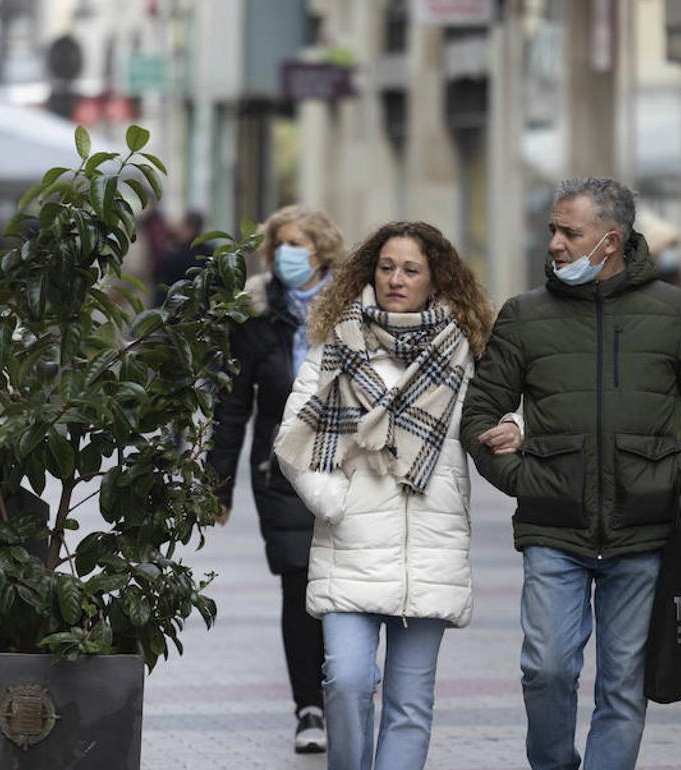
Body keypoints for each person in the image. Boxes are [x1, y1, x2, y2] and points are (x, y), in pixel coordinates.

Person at [461, 177, 681, 770]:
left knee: (621, 687)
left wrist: (676, 473)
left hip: (643, 535)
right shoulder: (522, 317)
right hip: (552, 531)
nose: (556, 244)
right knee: (546, 669)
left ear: (610, 240)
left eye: (571, 232)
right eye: (553, 231)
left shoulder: (677, 313)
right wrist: (519, 477)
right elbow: (478, 415)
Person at [275, 221, 509, 770]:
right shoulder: (338, 344)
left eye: (410, 270)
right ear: (368, 272)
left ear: (436, 279)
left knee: (410, 702)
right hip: (351, 545)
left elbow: (506, 411)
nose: (395, 279)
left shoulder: (466, 353)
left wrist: (515, 425)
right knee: (347, 681)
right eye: (386, 268)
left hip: (430, 548)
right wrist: (336, 502)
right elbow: (294, 441)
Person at [207, 204, 345, 753]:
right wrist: (218, 484)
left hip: (348, 468)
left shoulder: (355, 309)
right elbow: (232, 407)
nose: (288, 254)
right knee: (299, 584)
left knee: (344, 586)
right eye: (280, 244)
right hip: (281, 471)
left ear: (323, 251)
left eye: (298, 244)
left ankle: (348, 687)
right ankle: (309, 706)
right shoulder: (255, 316)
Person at [154, 210, 210, 305]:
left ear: (188, 229)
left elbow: (162, 295)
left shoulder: (174, 259)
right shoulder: (211, 254)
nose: (177, 230)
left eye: (180, 226)